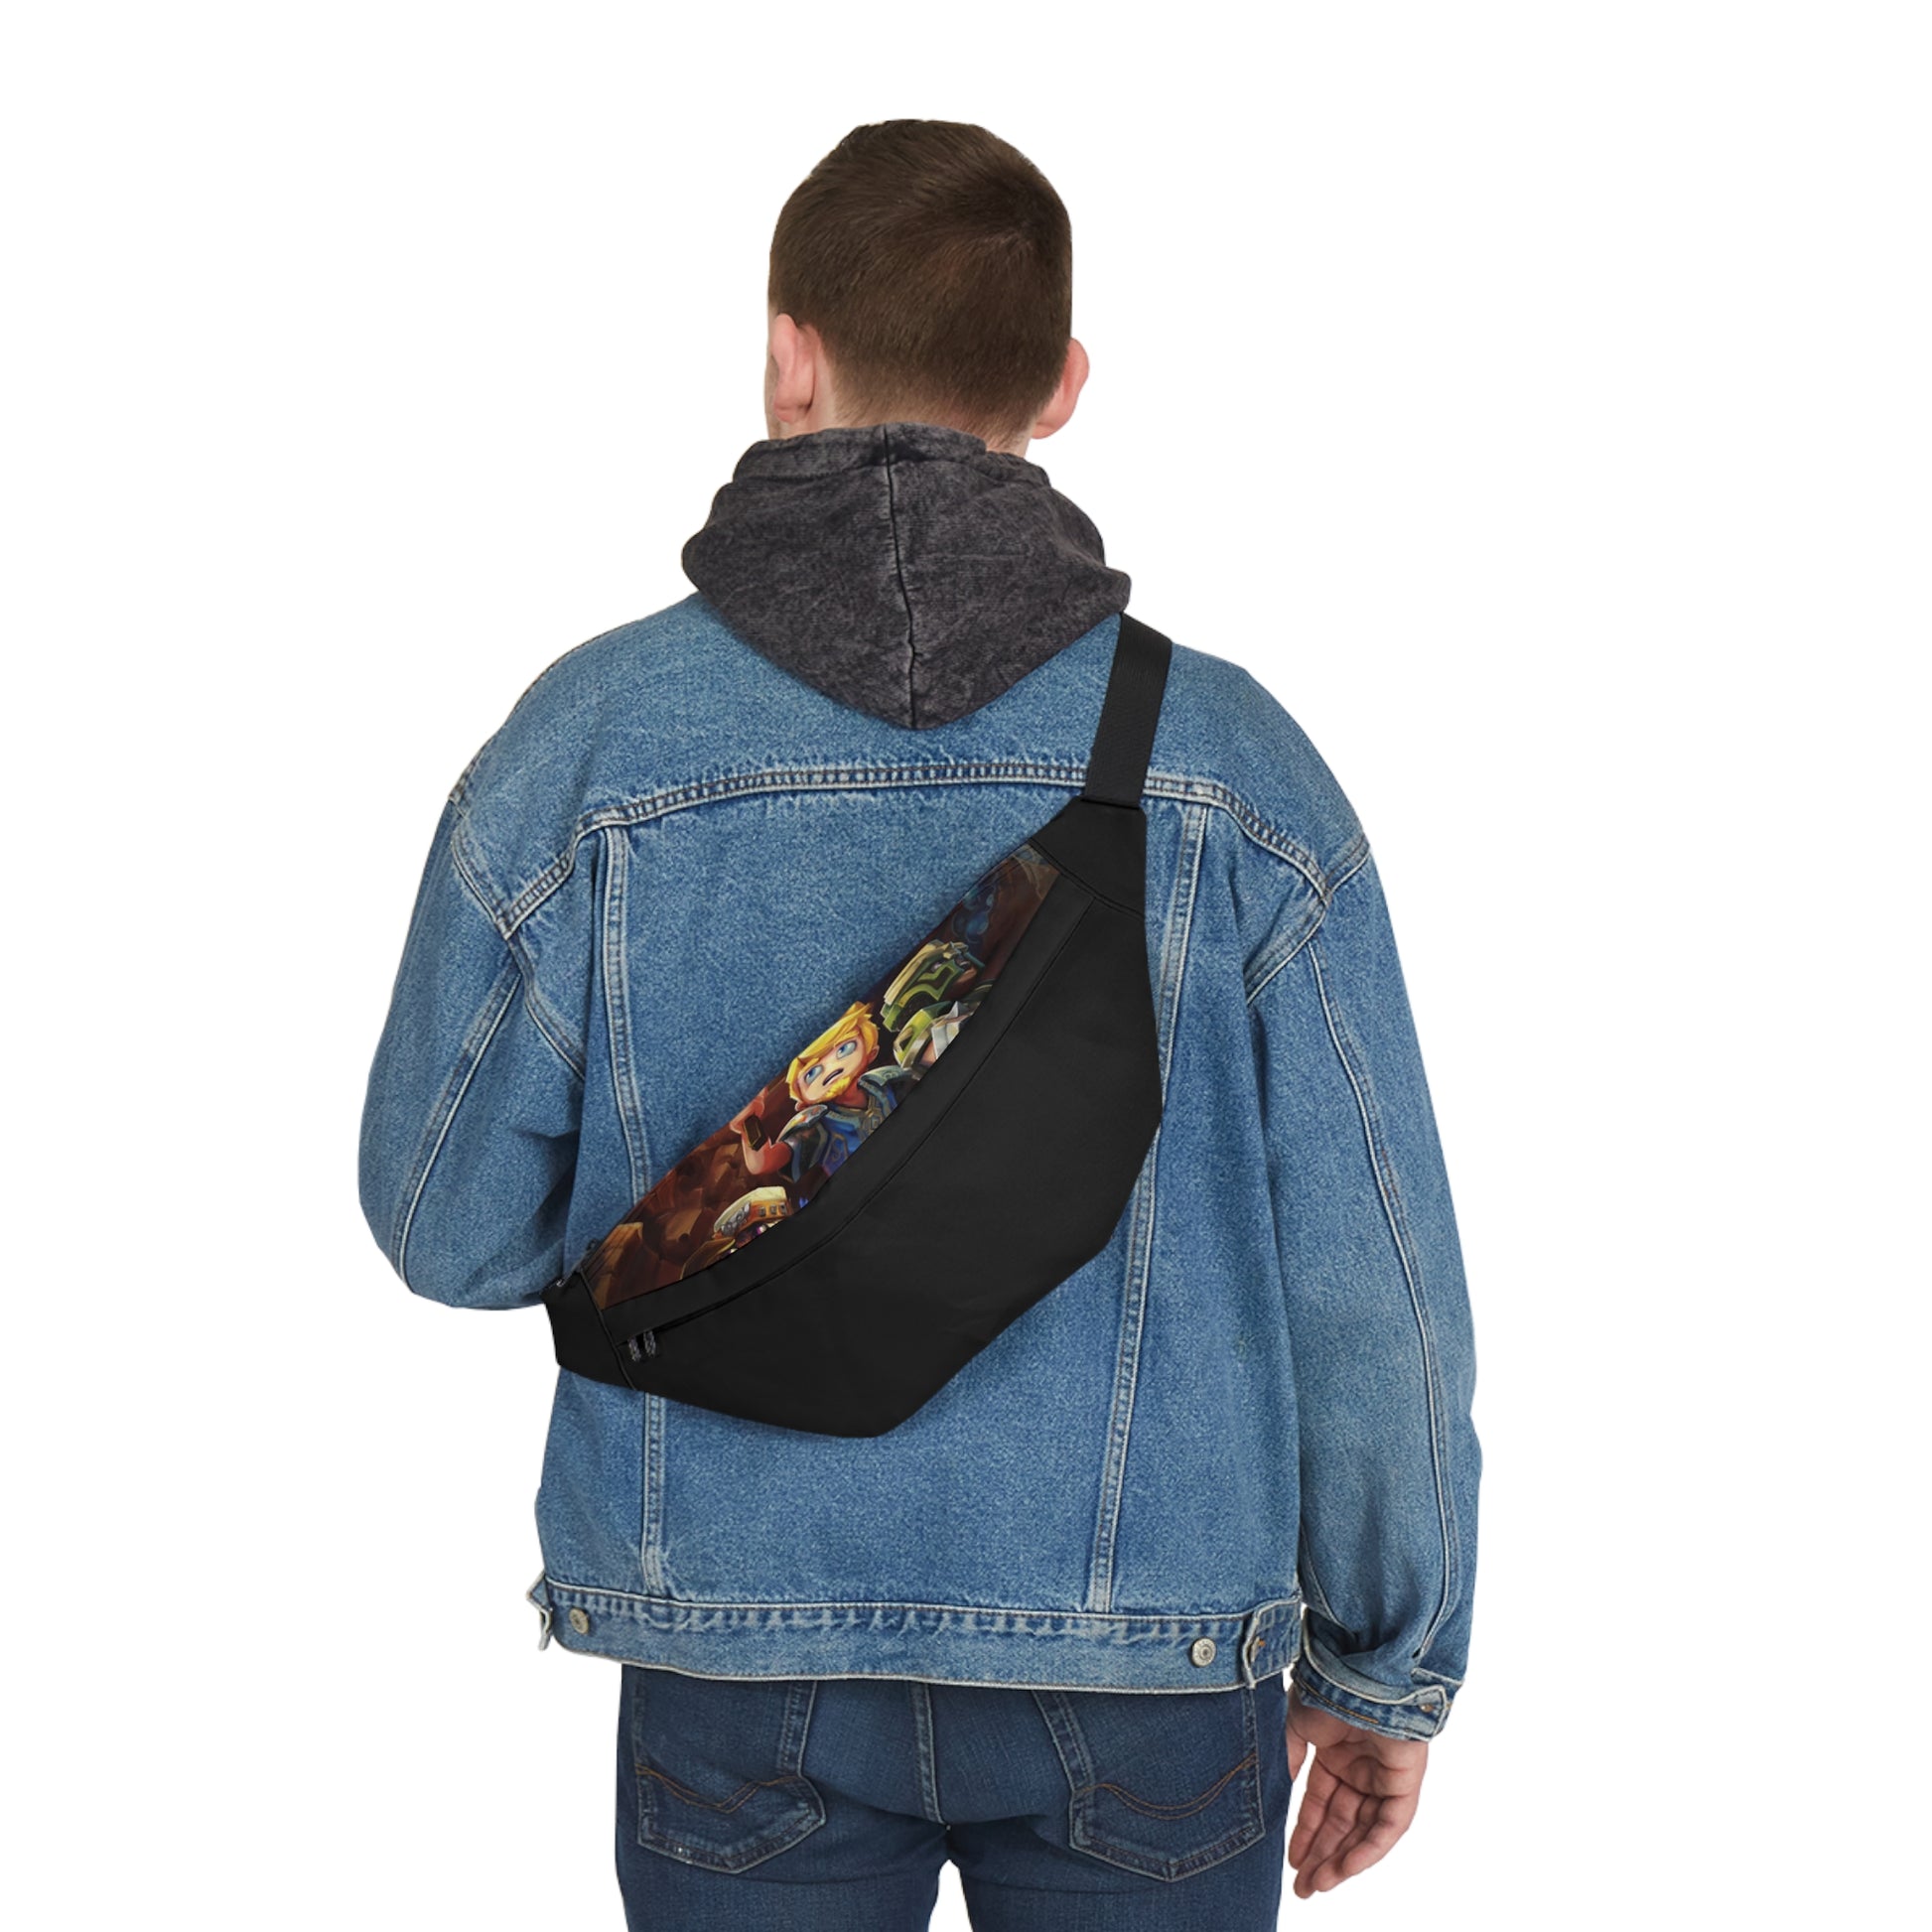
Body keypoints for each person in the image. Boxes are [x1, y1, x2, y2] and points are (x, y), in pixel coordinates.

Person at [358, 117, 1480, 1931]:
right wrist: (1385, 1662)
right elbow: (1378, 1283)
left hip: (732, 1647)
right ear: (1062, 384)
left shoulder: (585, 746)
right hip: (1149, 1657)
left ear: (786, 358)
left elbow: (447, 1226)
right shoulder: (1234, 768)